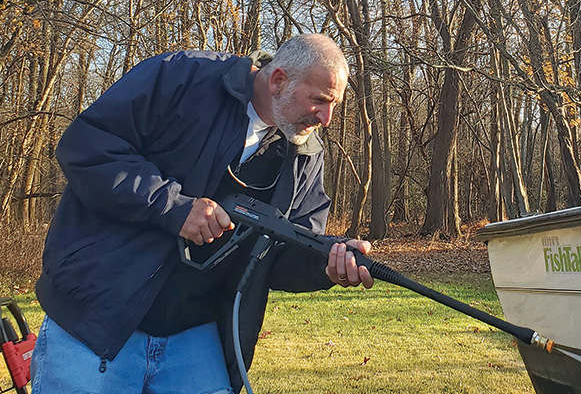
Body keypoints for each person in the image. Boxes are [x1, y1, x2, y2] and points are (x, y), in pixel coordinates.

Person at [31, 33, 374, 393]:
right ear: (278, 80)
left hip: (195, 338)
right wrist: (175, 208)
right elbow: (86, 147)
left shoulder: (304, 152)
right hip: (95, 321)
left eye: (333, 104)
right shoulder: (183, 78)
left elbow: (282, 253)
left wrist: (326, 262)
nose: (327, 117)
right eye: (320, 100)